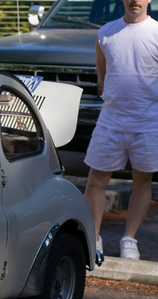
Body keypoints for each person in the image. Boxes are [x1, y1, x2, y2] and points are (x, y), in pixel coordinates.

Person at [83, 0, 158, 260]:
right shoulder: (105, 33)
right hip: (111, 121)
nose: (135, 0)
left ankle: (130, 239)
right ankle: (93, 238)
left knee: (143, 181)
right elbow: (102, 74)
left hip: (148, 123)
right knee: (95, 180)